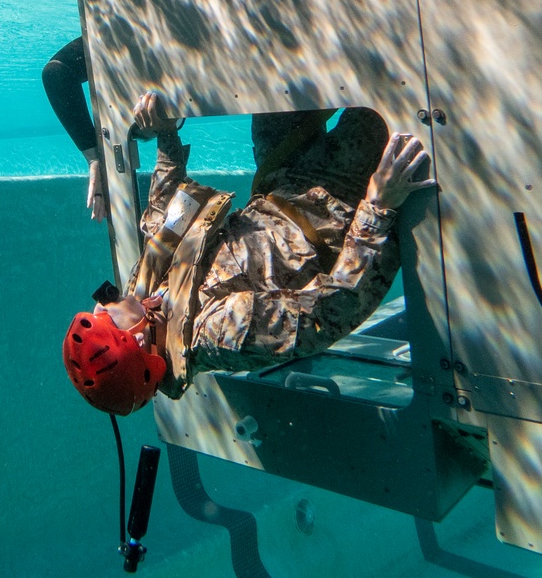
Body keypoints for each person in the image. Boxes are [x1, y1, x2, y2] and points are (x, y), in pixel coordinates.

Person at [63, 92, 435, 415]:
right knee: (375, 109)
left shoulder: (143, 297)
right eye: (105, 320)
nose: (100, 307)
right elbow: (334, 310)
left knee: (280, 80)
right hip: (337, 200)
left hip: (279, 182)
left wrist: (165, 133)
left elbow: (164, 217)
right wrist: (378, 207)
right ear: (138, 339)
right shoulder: (219, 332)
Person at [42, 36, 106, 221]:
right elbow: (56, 73)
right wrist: (95, 158)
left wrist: (94, 157)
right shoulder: (122, 29)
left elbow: (56, 72)